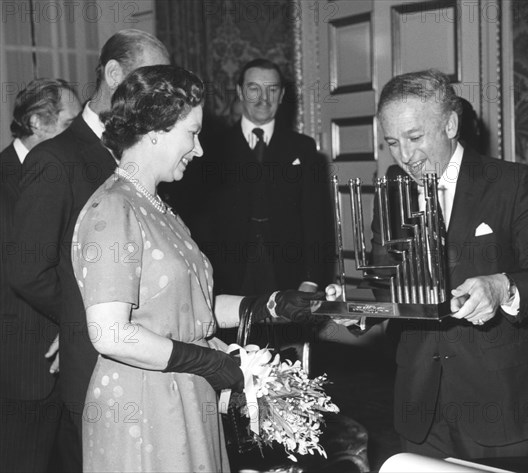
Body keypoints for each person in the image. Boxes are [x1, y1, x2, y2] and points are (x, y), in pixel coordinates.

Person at [71, 64, 336, 472]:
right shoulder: (112, 209)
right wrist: (207, 362)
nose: (199, 149)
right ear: (155, 131)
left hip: (185, 391)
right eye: (192, 134)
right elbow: (109, 333)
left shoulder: (159, 207)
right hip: (143, 402)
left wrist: (267, 305)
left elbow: (192, 307)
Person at [372, 69, 528, 459]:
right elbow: (385, 283)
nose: (406, 157)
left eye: (415, 138)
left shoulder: (512, 182)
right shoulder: (393, 186)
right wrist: (355, 304)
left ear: (450, 124)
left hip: (503, 405)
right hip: (419, 407)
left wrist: (501, 287)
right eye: (393, 143)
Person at [10, 29, 170, 470]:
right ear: (114, 74)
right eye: (149, 77)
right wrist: (85, 320)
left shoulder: (149, 149)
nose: (159, 91)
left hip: (140, 362)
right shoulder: (56, 158)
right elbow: (28, 270)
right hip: (85, 371)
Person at [185, 58, 333, 296]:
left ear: (282, 95)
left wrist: (312, 280)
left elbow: (316, 220)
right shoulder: (212, 148)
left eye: (272, 89)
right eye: (254, 89)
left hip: (289, 277)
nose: (264, 98)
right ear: (241, 93)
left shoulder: (302, 148)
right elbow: (200, 220)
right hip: (226, 278)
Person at [0, 78, 81, 472]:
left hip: (74, 365)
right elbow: (23, 273)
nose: (78, 136)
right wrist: (72, 322)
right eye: (69, 124)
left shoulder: (68, 172)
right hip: (20, 371)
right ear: (37, 122)